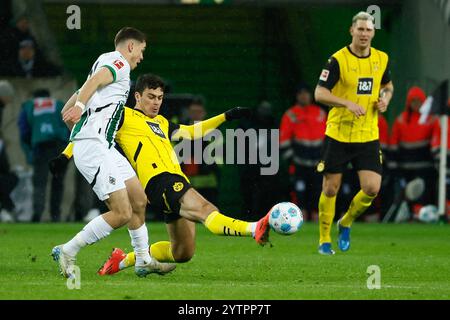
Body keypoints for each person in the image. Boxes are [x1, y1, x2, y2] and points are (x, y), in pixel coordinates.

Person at [52, 74, 272, 275]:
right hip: (160, 181)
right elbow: (93, 134)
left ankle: (124, 260)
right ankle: (254, 228)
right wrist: (65, 155)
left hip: (175, 181)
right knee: (207, 210)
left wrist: (226, 116)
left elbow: (191, 132)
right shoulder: (122, 116)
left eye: (160, 97)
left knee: (183, 252)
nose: (156, 102)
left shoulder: (162, 122)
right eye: (151, 96)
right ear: (137, 96)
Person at [50, 27, 175, 279]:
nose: (141, 56)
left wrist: (72, 109)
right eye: (141, 50)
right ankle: (67, 250)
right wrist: (79, 108)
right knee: (122, 212)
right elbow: (94, 82)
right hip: (94, 146)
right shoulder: (119, 62)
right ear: (131, 46)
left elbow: (87, 85)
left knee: (138, 199)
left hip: (103, 145)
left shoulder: (104, 60)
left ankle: (142, 259)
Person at [314, 12, 394, 255]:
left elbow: (388, 86)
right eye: (360, 29)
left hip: (368, 134)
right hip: (338, 133)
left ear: (373, 33)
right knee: (330, 189)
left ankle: (346, 221)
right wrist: (346, 103)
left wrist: (385, 100)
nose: (364, 34)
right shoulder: (337, 60)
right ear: (351, 31)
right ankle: (324, 239)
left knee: (372, 188)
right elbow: (319, 93)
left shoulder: (381, 58)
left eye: (368, 30)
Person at [17, 89, 69, 222]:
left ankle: (37, 214)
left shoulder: (29, 106)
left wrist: (29, 150)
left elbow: (24, 131)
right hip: (59, 147)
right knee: (58, 182)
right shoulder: (58, 104)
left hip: (41, 148)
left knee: (40, 182)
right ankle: (55, 215)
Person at [390, 86, 440, 218]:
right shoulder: (400, 121)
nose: (416, 104)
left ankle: (421, 216)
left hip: (426, 170)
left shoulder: (431, 120)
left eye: (419, 101)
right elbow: (394, 147)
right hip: (405, 170)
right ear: (408, 102)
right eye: (413, 101)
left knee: (424, 197)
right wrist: (395, 171)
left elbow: (435, 145)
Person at [280, 84, 327, 221]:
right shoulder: (290, 114)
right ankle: (298, 224)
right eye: (301, 93)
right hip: (299, 164)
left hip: (318, 163)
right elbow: (283, 141)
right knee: (299, 196)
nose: (304, 96)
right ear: (296, 96)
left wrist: (325, 158)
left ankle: (317, 228)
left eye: (306, 93)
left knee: (318, 195)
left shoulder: (320, 113)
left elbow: (329, 138)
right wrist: (292, 160)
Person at [180, 96, 221, 204]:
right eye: (193, 111)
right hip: (184, 182)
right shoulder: (179, 128)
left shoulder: (213, 131)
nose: (195, 115)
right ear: (188, 112)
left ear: (204, 113)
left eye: (198, 112)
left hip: (207, 184)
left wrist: (205, 165)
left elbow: (218, 157)